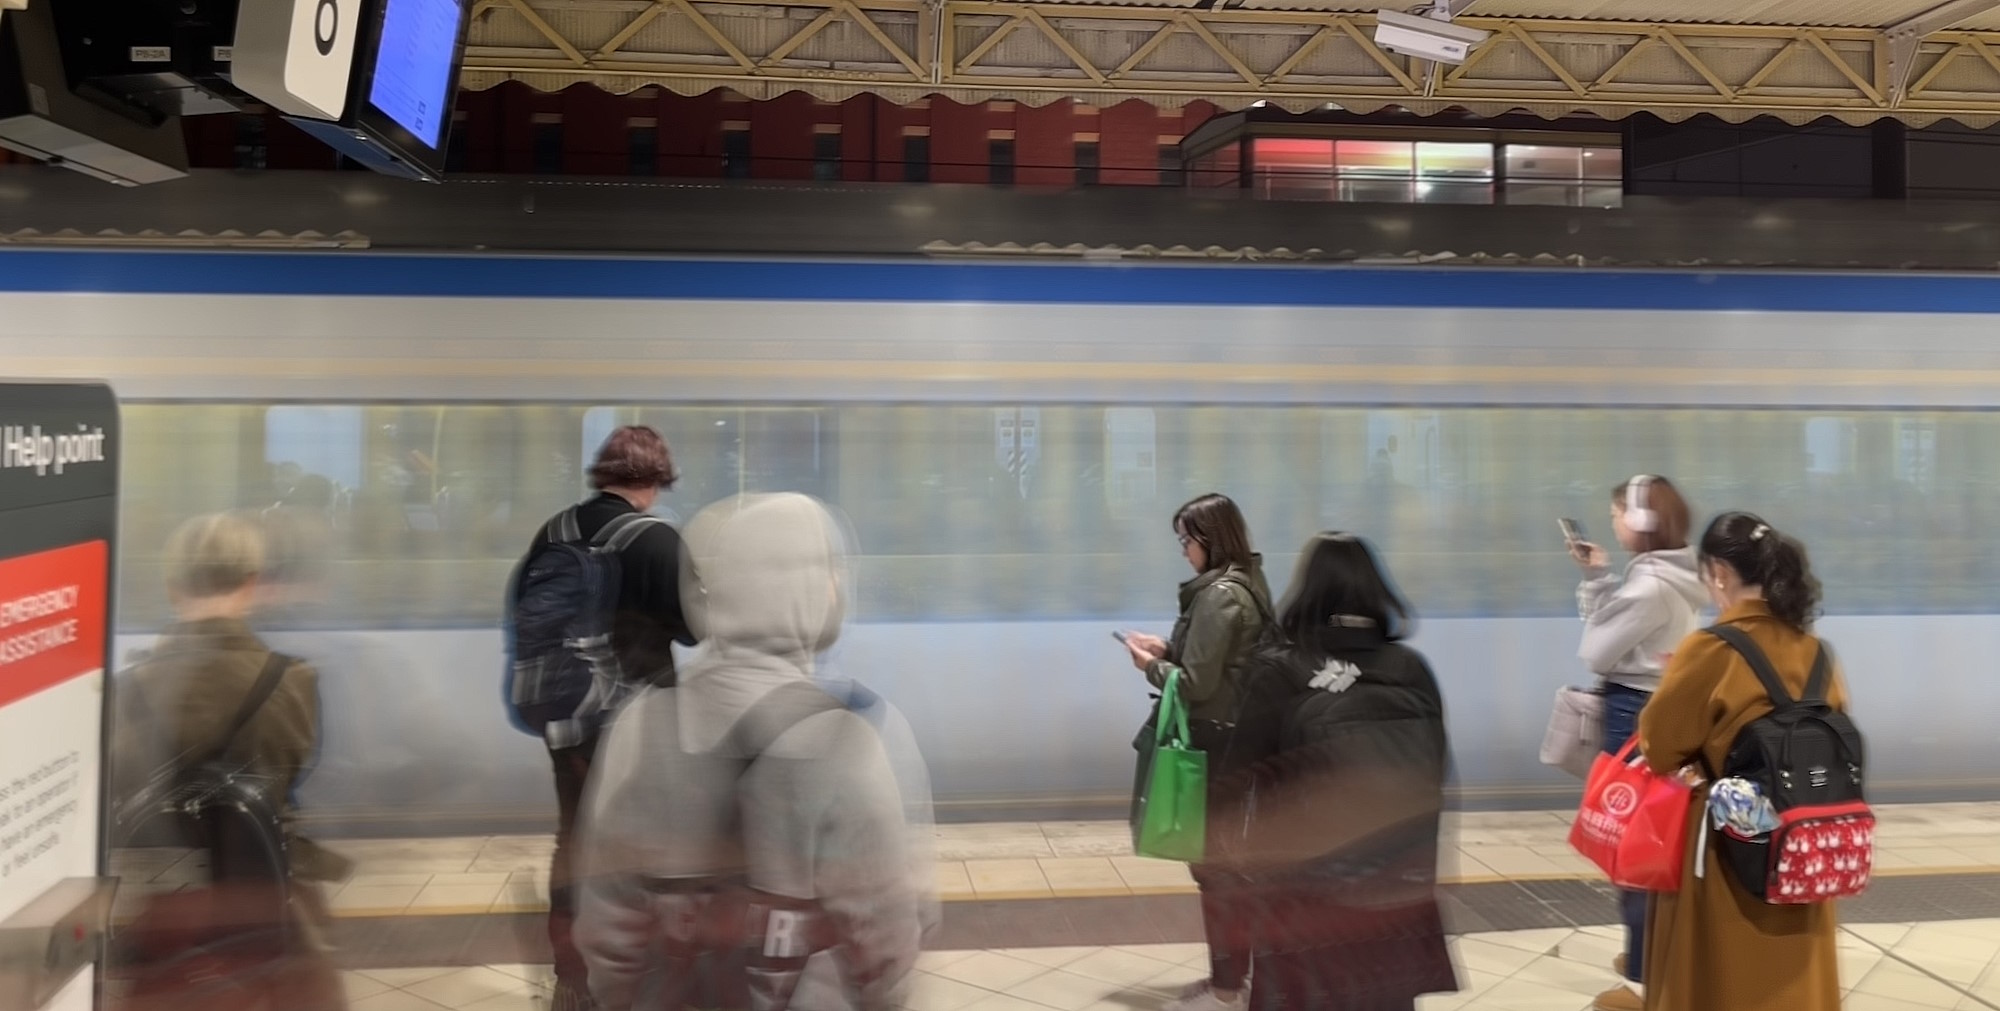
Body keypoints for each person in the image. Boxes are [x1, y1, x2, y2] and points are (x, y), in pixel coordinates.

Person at [574, 493, 926, 1011]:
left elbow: (607, 924)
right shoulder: (854, 735)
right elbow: (887, 942)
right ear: (816, 593)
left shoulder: (641, 722)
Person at [1212, 532, 1456, 1011]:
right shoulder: (1410, 669)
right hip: (1395, 890)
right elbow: (1435, 769)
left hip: (1304, 900)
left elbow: (1235, 778)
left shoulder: (1279, 669)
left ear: (1307, 591)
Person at [109, 512, 344, 1010]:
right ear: (252, 584)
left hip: (163, 918)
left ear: (173, 587)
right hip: (260, 907)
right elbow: (290, 772)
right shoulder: (291, 681)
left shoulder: (126, 693)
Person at [1637, 512, 1844, 1011]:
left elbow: (1659, 746)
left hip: (1728, 849)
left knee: (1723, 974)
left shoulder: (1710, 649)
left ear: (1721, 574)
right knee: (1796, 974)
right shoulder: (1816, 652)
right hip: (1804, 844)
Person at [524, 425, 696, 1011]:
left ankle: (571, 981)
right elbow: (694, 631)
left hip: (565, 719)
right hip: (639, 724)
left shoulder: (556, 530)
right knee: (641, 853)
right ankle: (632, 976)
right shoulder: (656, 539)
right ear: (654, 478)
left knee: (572, 843)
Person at [1121, 493, 1273, 1011]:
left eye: (1186, 540)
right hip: (1235, 739)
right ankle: (1229, 979)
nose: (1183, 551)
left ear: (1209, 539)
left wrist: (1150, 667)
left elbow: (1197, 685)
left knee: (1218, 868)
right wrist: (1168, 650)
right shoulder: (1244, 584)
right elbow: (1218, 663)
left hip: (1216, 741)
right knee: (1224, 864)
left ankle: (1228, 988)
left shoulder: (1220, 595)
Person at [1567, 475, 1704, 1011]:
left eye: (1618, 513)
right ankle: (1646, 951)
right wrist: (1599, 577)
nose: (1615, 522)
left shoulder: (1649, 587)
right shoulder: (1669, 575)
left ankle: (1646, 978)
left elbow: (1597, 651)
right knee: (1648, 837)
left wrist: (1601, 590)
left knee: (1633, 845)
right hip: (1654, 708)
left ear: (1643, 521)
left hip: (1632, 711)